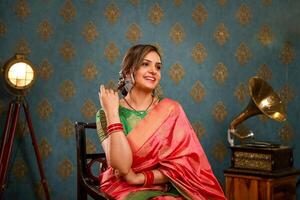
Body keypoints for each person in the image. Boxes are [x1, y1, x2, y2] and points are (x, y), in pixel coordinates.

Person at [96, 44, 226, 200]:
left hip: (166, 185)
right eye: (145, 64)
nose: (153, 71)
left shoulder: (171, 111)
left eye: (158, 67)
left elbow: (182, 167)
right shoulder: (107, 113)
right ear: (128, 71)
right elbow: (122, 168)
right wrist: (112, 113)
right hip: (124, 187)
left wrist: (140, 178)